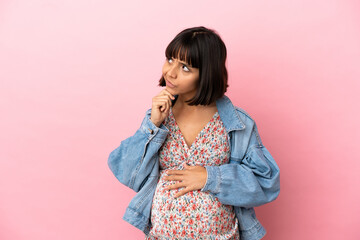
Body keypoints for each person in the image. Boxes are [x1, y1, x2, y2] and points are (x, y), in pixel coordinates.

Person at [108, 26, 280, 240]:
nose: (170, 72)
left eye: (186, 68)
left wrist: (211, 177)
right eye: (170, 59)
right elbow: (125, 172)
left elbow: (267, 182)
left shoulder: (237, 123)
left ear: (206, 73)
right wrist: (152, 126)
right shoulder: (159, 116)